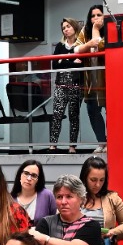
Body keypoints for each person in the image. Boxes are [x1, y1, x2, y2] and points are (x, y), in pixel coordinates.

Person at [48, 17, 84, 152]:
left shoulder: (79, 46)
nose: (66, 30)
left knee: (74, 116)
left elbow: (81, 64)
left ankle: (72, 146)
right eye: (63, 28)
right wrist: (71, 61)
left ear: (74, 27)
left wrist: (64, 60)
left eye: (68, 26)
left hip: (75, 85)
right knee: (57, 115)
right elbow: (55, 64)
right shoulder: (59, 46)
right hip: (60, 85)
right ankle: (53, 144)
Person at [74, 4, 108, 148]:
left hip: (107, 79)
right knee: (92, 112)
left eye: (99, 15)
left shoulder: (110, 29)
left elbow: (99, 46)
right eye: (92, 16)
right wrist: (88, 43)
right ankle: (102, 142)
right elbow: (76, 49)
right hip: (90, 81)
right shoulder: (85, 30)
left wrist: (96, 30)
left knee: (111, 113)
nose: (95, 18)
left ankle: (113, 143)